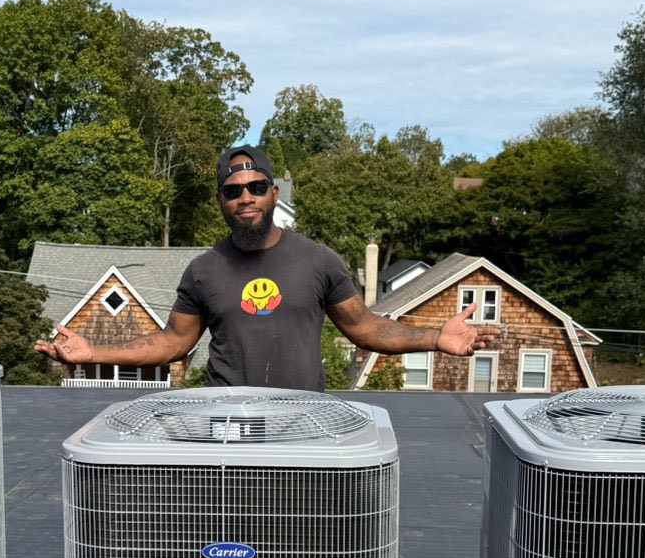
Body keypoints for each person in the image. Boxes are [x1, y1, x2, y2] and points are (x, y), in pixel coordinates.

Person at [34, 145, 502, 391]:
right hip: (227, 421)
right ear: (221, 200)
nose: (245, 198)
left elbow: (367, 328)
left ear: (274, 193)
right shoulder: (203, 270)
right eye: (233, 190)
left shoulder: (319, 260)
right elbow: (172, 343)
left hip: (303, 419)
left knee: (300, 542)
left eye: (256, 186)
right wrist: (92, 351)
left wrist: (434, 338)